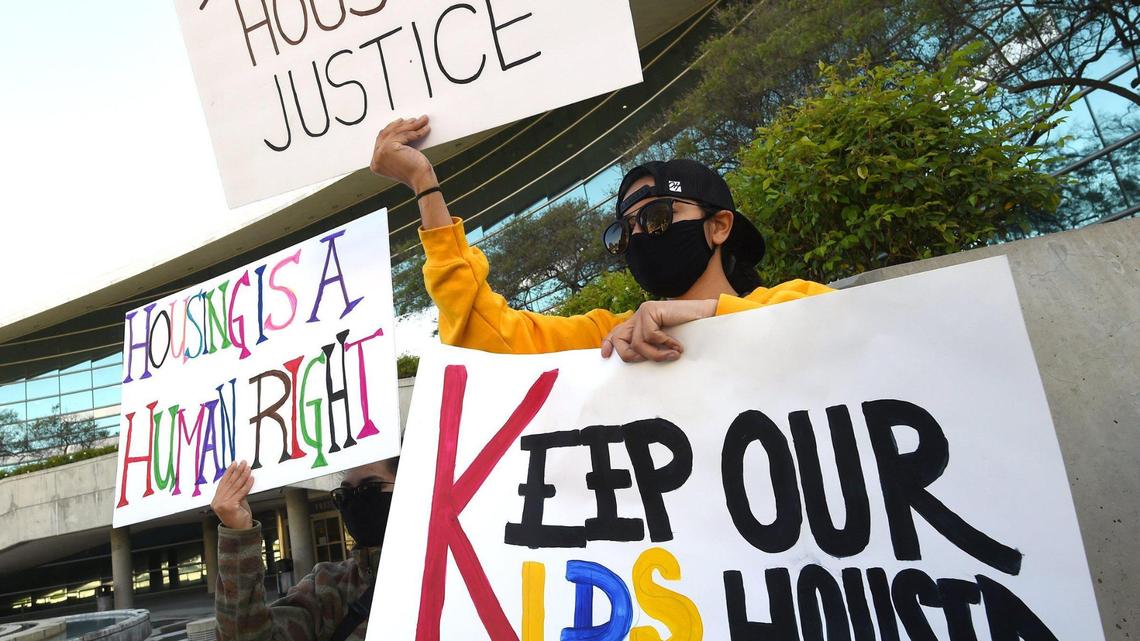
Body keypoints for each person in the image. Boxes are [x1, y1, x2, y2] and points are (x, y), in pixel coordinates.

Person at [369, 115, 833, 360]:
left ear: (719, 226)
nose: (640, 236)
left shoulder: (790, 304)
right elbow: (483, 336)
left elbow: (838, 318)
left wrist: (696, 316)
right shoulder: (608, 339)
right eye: (625, 231)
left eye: (656, 218)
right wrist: (424, 185)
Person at [212, 458, 397, 641]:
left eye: (371, 488)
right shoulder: (327, 588)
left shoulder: (425, 578)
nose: (356, 501)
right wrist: (239, 535)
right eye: (344, 494)